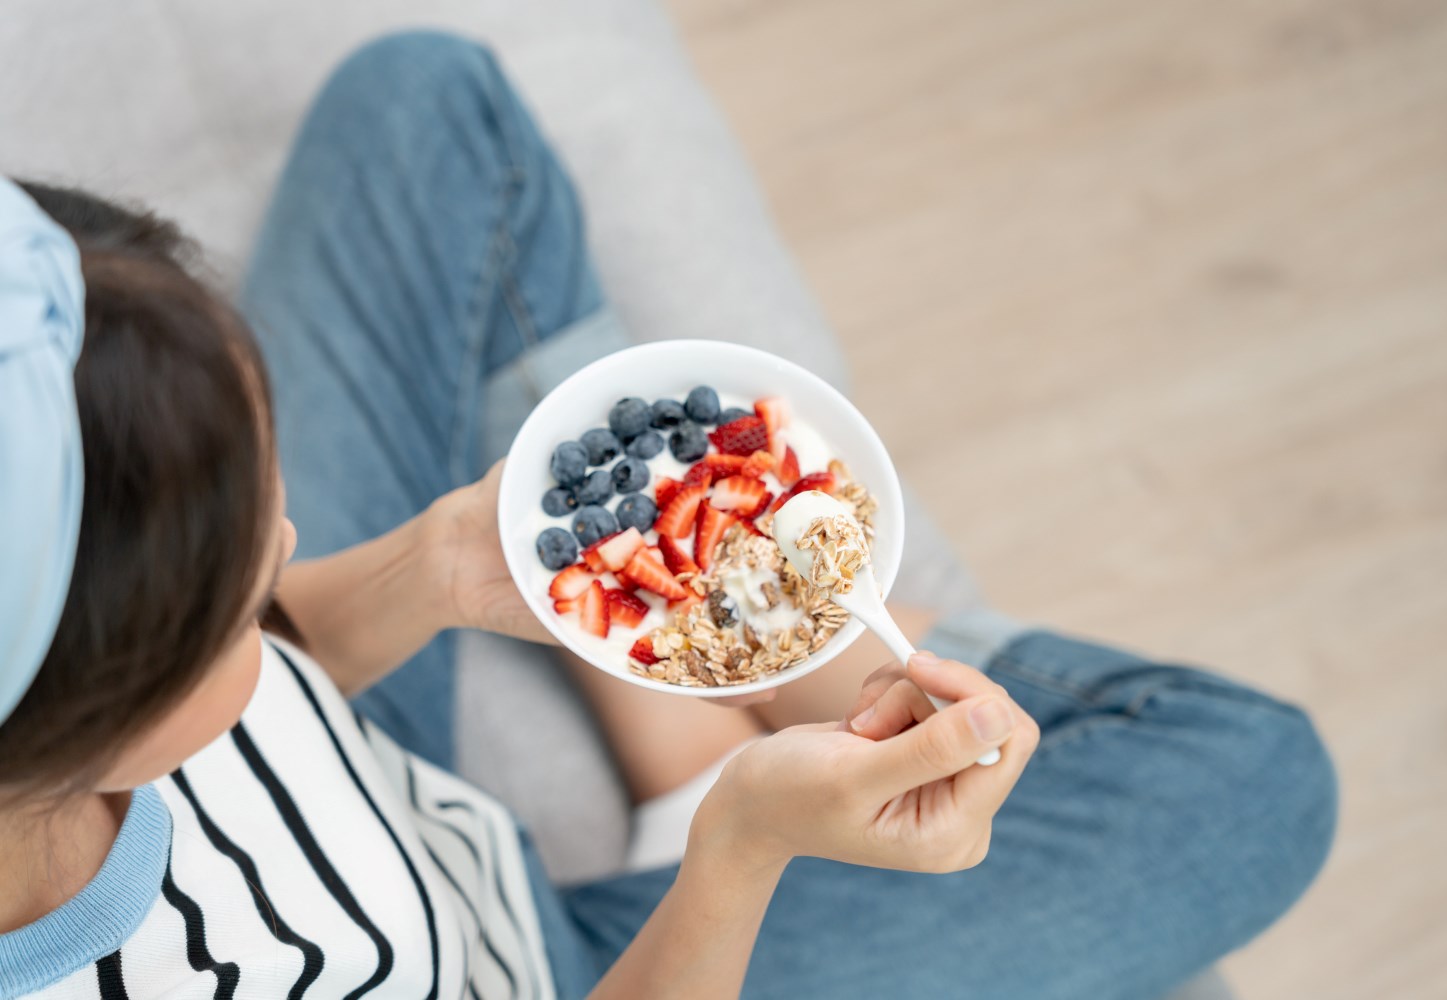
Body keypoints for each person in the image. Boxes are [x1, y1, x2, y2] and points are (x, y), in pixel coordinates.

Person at [0, 31, 1336, 1000]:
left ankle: (683, 647)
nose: (290, 547)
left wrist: (438, 566)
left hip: (374, 785)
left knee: (426, 105)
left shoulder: (82, 687)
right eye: (243, 588)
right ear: (100, 713)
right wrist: (736, 846)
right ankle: (697, 715)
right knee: (1249, 779)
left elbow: (275, 685)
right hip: (556, 974)